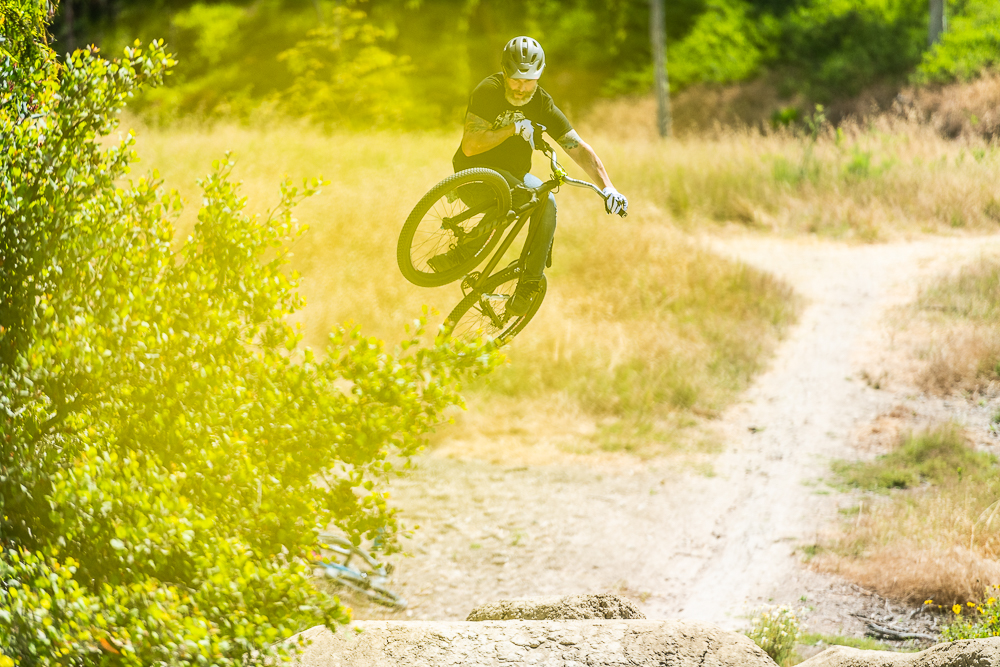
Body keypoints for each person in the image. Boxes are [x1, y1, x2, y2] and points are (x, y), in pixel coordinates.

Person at [444, 35, 628, 316]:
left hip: (515, 178)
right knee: (520, 193)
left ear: (539, 76)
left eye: (529, 80)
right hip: (475, 177)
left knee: (547, 201)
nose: (521, 88)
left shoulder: (541, 103)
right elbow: (469, 146)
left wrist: (609, 188)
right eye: (516, 79)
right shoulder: (488, 91)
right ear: (504, 73)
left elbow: (577, 148)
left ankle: (528, 283)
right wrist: (513, 128)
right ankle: (460, 254)